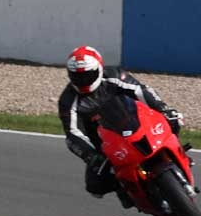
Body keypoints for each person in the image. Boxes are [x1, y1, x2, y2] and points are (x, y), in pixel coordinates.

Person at [57, 45, 184, 207]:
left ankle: (178, 153)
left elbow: (141, 91)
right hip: (105, 145)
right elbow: (72, 134)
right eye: (77, 76)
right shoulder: (68, 100)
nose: (83, 81)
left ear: (99, 69)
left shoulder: (114, 76)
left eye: (88, 75)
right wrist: (92, 156)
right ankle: (126, 190)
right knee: (95, 186)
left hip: (135, 124)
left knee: (174, 121)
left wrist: (164, 110)